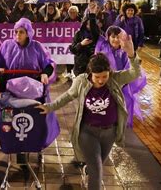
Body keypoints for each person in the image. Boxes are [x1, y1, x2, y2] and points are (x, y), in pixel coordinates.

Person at [36, 35, 141, 190]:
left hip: (110, 132)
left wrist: (131, 55)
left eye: (104, 76)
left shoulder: (114, 79)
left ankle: (88, 170)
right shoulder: (82, 81)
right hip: (87, 132)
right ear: (90, 73)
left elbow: (134, 73)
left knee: (96, 165)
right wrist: (50, 107)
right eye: (97, 77)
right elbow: (68, 96)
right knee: (98, 170)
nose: (100, 81)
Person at [0, 18, 59, 163]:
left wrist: (45, 73)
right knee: (10, 121)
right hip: (11, 92)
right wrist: (0, 70)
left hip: (32, 92)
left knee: (31, 119)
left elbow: (49, 63)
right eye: (16, 31)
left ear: (28, 33)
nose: (17, 35)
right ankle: (13, 144)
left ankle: (28, 145)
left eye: (21, 32)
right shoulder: (6, 45)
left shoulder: (37, 47)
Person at [95, 26, 147, 127]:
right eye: (113, 37)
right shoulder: (102, 48)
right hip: (105, 85)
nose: (115, 40)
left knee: (122, 110)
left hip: (122, 86)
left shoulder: (125, 51)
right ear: (108, 37)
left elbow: (133, 69)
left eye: (118, 37)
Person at [69, 3, 101, 77]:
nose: (89, 26)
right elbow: (73, 50)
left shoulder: (97, 34)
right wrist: (81, 44)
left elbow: (94, 30)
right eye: (87, 24)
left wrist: (92, 14)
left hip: (93, 65)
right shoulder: (78, 34)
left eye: (91, 24)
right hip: (80, 66)